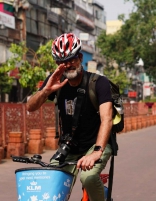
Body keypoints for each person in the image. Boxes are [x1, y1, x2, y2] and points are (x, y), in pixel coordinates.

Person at [26, 33, 113, 201]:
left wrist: (96, 152)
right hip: (68, 148)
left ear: (80, 57)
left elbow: (107, 119)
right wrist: (46, 90)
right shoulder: (55, 81)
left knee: (87, 177)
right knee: (51, 184)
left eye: (71, 59)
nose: (67, 65)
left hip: (96, 145)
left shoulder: (99, 83)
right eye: (61, 61)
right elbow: (30, 107)